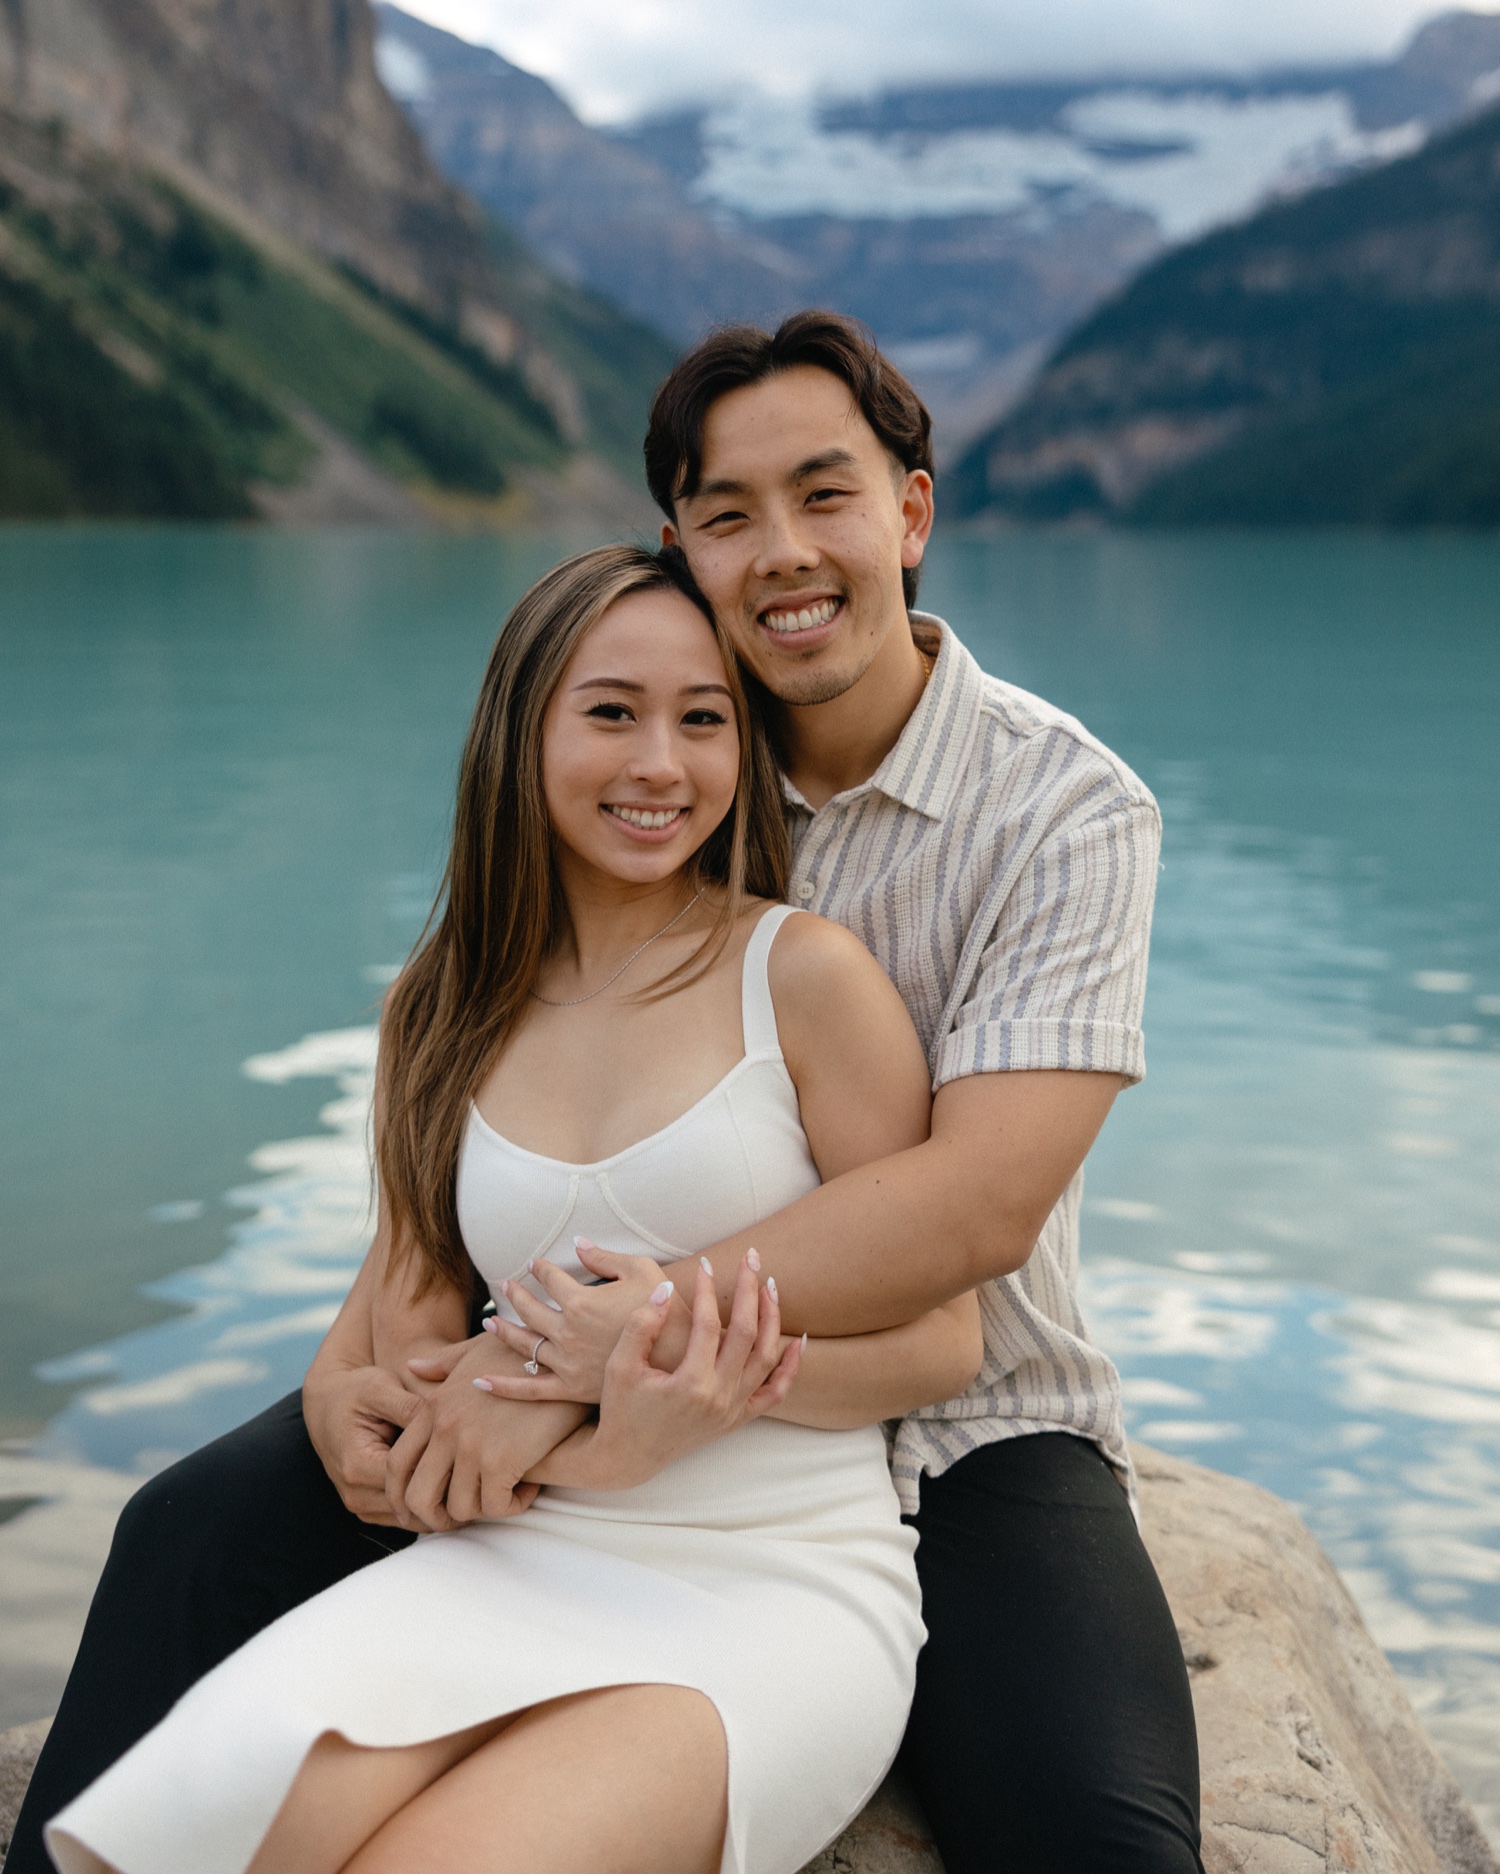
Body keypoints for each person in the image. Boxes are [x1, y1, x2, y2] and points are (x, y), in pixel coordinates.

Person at [15, 311, 1202, 1874]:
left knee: (1097, 1840)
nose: (782, 553)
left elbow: (974, 1208)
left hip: (976, 1422)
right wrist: (342, 1377)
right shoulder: (666, 752)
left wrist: (600, 1348)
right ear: (681, 554)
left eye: (826, 494)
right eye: (728, 516)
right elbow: (439, 1194)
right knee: (185, 1531)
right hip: (595, 1436)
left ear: (910, 514)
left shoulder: (1064, 810)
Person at [46, 543, 981, 1874]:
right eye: (611, 712)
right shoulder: (439, 1000)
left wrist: (697, 1386)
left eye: (704, 719)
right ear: (521, 729)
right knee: (194, 1843)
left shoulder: (807, 977)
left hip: (772, 1577)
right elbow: (402, 1316)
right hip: (514, 1548)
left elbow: (948, 1339)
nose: (661, 762)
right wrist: (344, 1413)